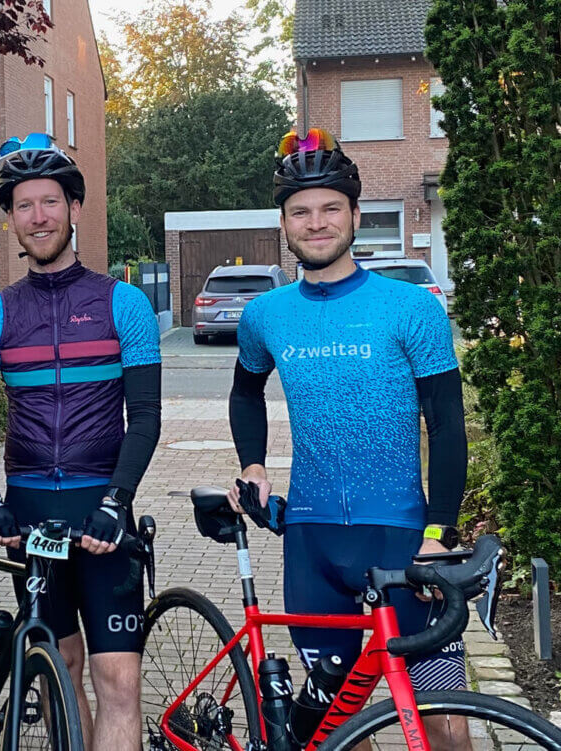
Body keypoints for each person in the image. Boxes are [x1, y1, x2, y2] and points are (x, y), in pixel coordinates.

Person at [227, 128, 471, 749]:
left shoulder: (412, 308)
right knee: (338, 726)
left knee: (445, 721)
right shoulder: (265, 314)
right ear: (283, 222)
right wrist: (253, 464)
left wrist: (440, 531)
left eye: (330, 207)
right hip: (310, 543)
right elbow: (245, 391)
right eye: (300, 211)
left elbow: (446, 424)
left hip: (402, 538)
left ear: (356, 214)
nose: (316, 223)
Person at [0, 132, 162, 750]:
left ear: (74, 209)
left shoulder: (124, 304)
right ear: (11, 221)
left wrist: (117, 500)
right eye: (24, 206)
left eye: (49, 202)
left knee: (119, 680)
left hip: (101, 506)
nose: (38, 216)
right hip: (29, 509)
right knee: (60, 666)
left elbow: (146, 416)